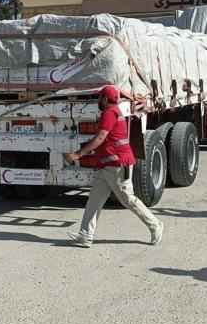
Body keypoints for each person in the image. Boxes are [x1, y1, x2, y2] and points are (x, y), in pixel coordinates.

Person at [64, 85, 164, 248]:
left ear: (104, 99)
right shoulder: (113, 112)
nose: (98, 101)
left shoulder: (110, 113)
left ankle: (155, 225)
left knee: (128, 199)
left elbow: (100, 138)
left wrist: (78, 154)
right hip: (107, 165)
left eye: (99, 98)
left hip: (117, 165)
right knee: (94, 200)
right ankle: (85, 235)